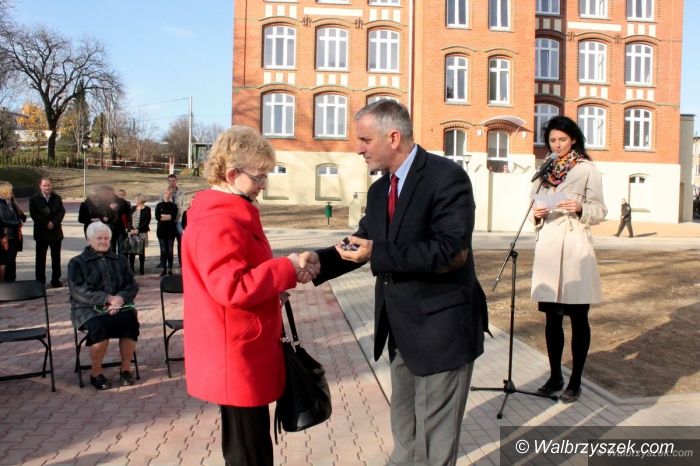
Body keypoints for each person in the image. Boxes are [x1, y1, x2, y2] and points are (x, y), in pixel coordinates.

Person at [306, 100, 486, 466]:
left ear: (393, 137)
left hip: (442, 331)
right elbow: (362, 241)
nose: (358, 148)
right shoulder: (379, 191)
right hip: (401, 333)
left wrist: (379, 251)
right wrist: (318, 262)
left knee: (434, 447)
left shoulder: (446, 177)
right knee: (405, 434)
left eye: (364, 140)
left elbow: (452, 252)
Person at [181, 126, 317, 466]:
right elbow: (231, 287)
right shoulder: (219, 221)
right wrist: (285, 268)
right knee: (248, 451)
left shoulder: (229, 213)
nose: (264, 184)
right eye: (259, 177)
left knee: (250, 445)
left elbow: (239, 277)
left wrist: (274, 288)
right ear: (231, 174)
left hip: (241, 346)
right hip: (236, 353)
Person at [531, 115, 607, 404]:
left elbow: (600, 210)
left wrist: (580, 207)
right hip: (549, 250)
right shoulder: (544, 170)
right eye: (552, 140)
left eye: (562, 139)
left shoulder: (587, 169)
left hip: (575, 249)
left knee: (577, 317)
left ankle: (575, 381)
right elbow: (533, 203)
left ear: (573, 139)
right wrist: (537, 213)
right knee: (551, 318)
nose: (557, 144)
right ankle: (555, 376)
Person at [68, 221, 140, 390]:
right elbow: (78, 291)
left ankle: (125, 370)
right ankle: (96, 373)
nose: (103, 241)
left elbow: (131, 285)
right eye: (99, 238)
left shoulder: (120, 260)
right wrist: (107, 299)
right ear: (88, 240)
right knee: (100, 325)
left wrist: (119, 299)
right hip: (87, 309)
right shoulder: (77, 263)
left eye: (106, 238)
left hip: (119, 306)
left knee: (130, 320)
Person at [29, 177, 66, 288]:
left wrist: (53, 223)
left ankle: (56, 280)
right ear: (40, 186)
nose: (47, 187)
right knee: (40, 259)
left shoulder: (57, 198)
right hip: (41, 233)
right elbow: (34, 214)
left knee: (56, 258)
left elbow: (61, 212)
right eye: (44, 185)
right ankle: (40, 282)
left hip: (55, 232)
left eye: (49, 185)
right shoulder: (34, 198)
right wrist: (46, 223)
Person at [0, 181, 27, 283]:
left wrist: (15, 203)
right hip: (6, 237)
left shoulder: (10, 203)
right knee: (5, 261)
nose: (12, 193)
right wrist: (17, 222)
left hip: (14, 236)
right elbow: (3, 220)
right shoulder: (1, 203)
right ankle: (4, 283)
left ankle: (11, 281)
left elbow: (23, 217)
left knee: (11, 261)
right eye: (10, 191)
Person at [155, 188, 178, 276]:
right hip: (161, 231)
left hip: (171, 231)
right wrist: (167, 216)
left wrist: (164, 216)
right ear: (164, 195)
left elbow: (173, 217)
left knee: (170, 251)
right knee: (163, 251)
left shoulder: (174, 206)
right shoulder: (159, 205)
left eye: (169, 194)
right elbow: (157, 217)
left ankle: (170, 269)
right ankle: (163, 269)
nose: (167, 196)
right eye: (166, 194)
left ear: (171, 195)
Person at [128, 193, 151, 275]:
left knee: (141, 251)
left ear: (140, 200)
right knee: (132, 251)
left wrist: (138, 230)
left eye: (136, 199)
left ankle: (141, 269)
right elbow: (129, 220)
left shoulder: (147, 209)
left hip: (142, 232)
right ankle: (131, 268)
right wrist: (131, 229)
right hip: (132, 232)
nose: (135, 201)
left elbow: (147, 221)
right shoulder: (133, 208)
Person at [166, 174, 185, 266]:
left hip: (178, 221)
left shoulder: (181, 193)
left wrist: (180, 216)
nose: (171, 182)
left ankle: (182, 262)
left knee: (181, 243)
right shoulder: (164, 192)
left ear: (176, 181)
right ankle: (169, 264)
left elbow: (183, 206)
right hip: (168, 222)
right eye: (170, 181)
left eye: (173, 180)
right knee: (169, 244)